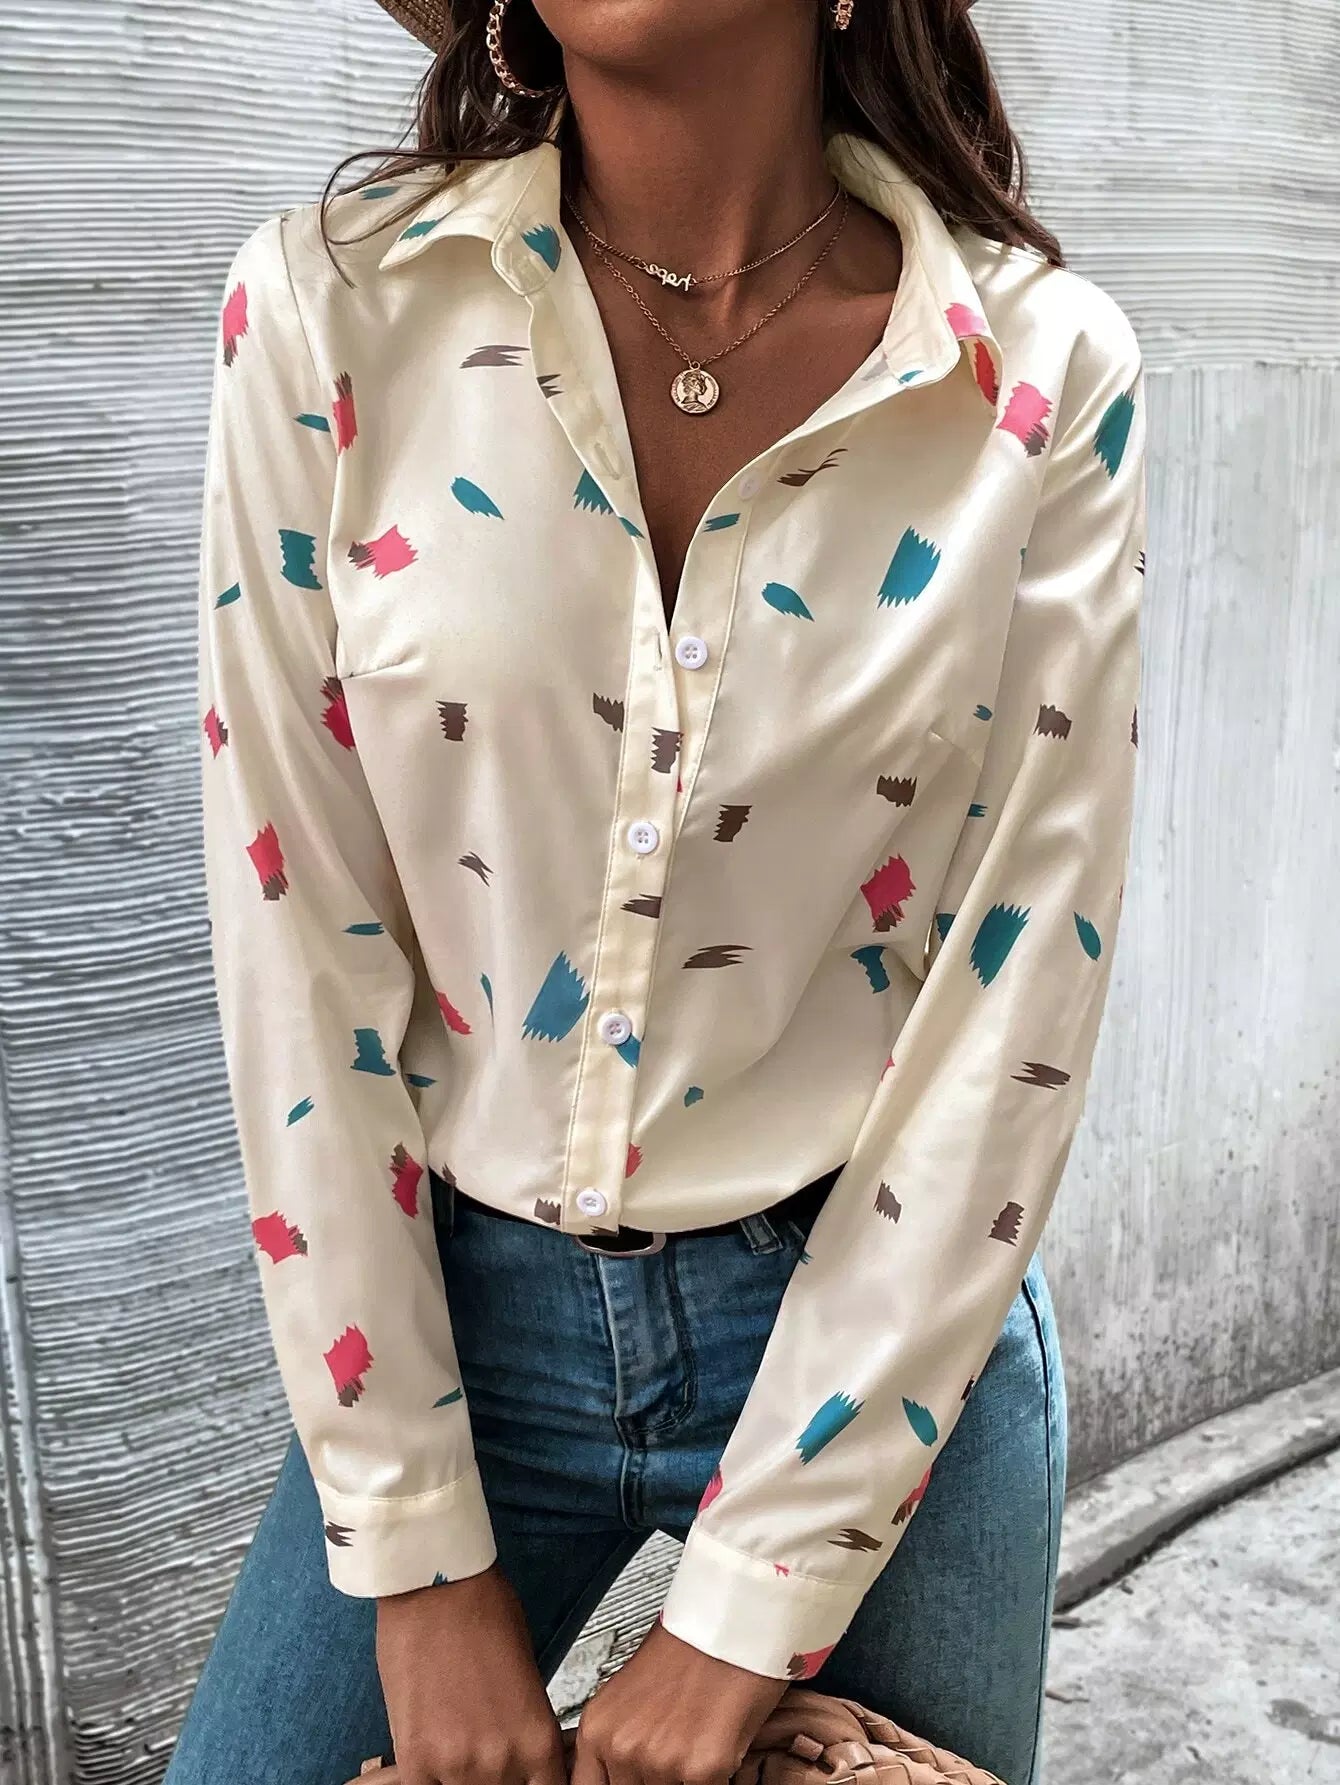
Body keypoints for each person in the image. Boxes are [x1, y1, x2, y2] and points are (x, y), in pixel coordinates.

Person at [168, 0, 1146, 1782]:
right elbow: (296, 945)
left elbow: (1016, 1000)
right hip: (459, 1328)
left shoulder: (1034, 375)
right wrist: (419, 1563)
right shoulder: (332, 310)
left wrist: (744, 1612)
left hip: (872, 1336)